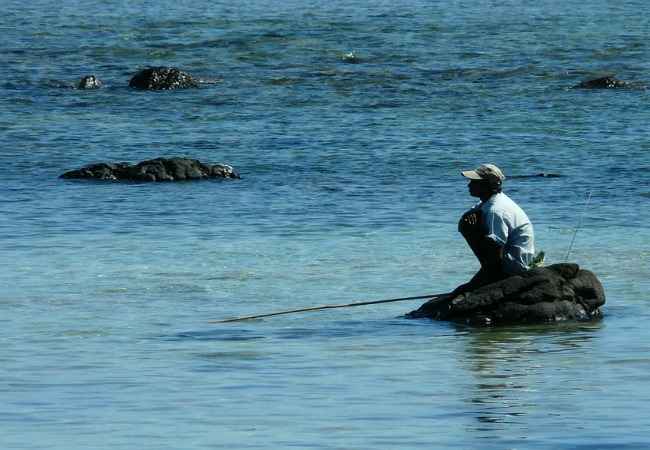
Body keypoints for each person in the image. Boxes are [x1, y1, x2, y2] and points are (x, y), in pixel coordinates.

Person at [451, 163, 535, 296]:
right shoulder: (490, 201)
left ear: (487, 185)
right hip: (506, 260)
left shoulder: (496, 210)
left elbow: (496, 254)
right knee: (467, 225)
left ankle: (491, 276)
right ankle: (487, 274)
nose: (469, 185)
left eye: (474, 182)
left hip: (514, 267)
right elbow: (466, 218)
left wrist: (471, 285)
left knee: (470, 229)